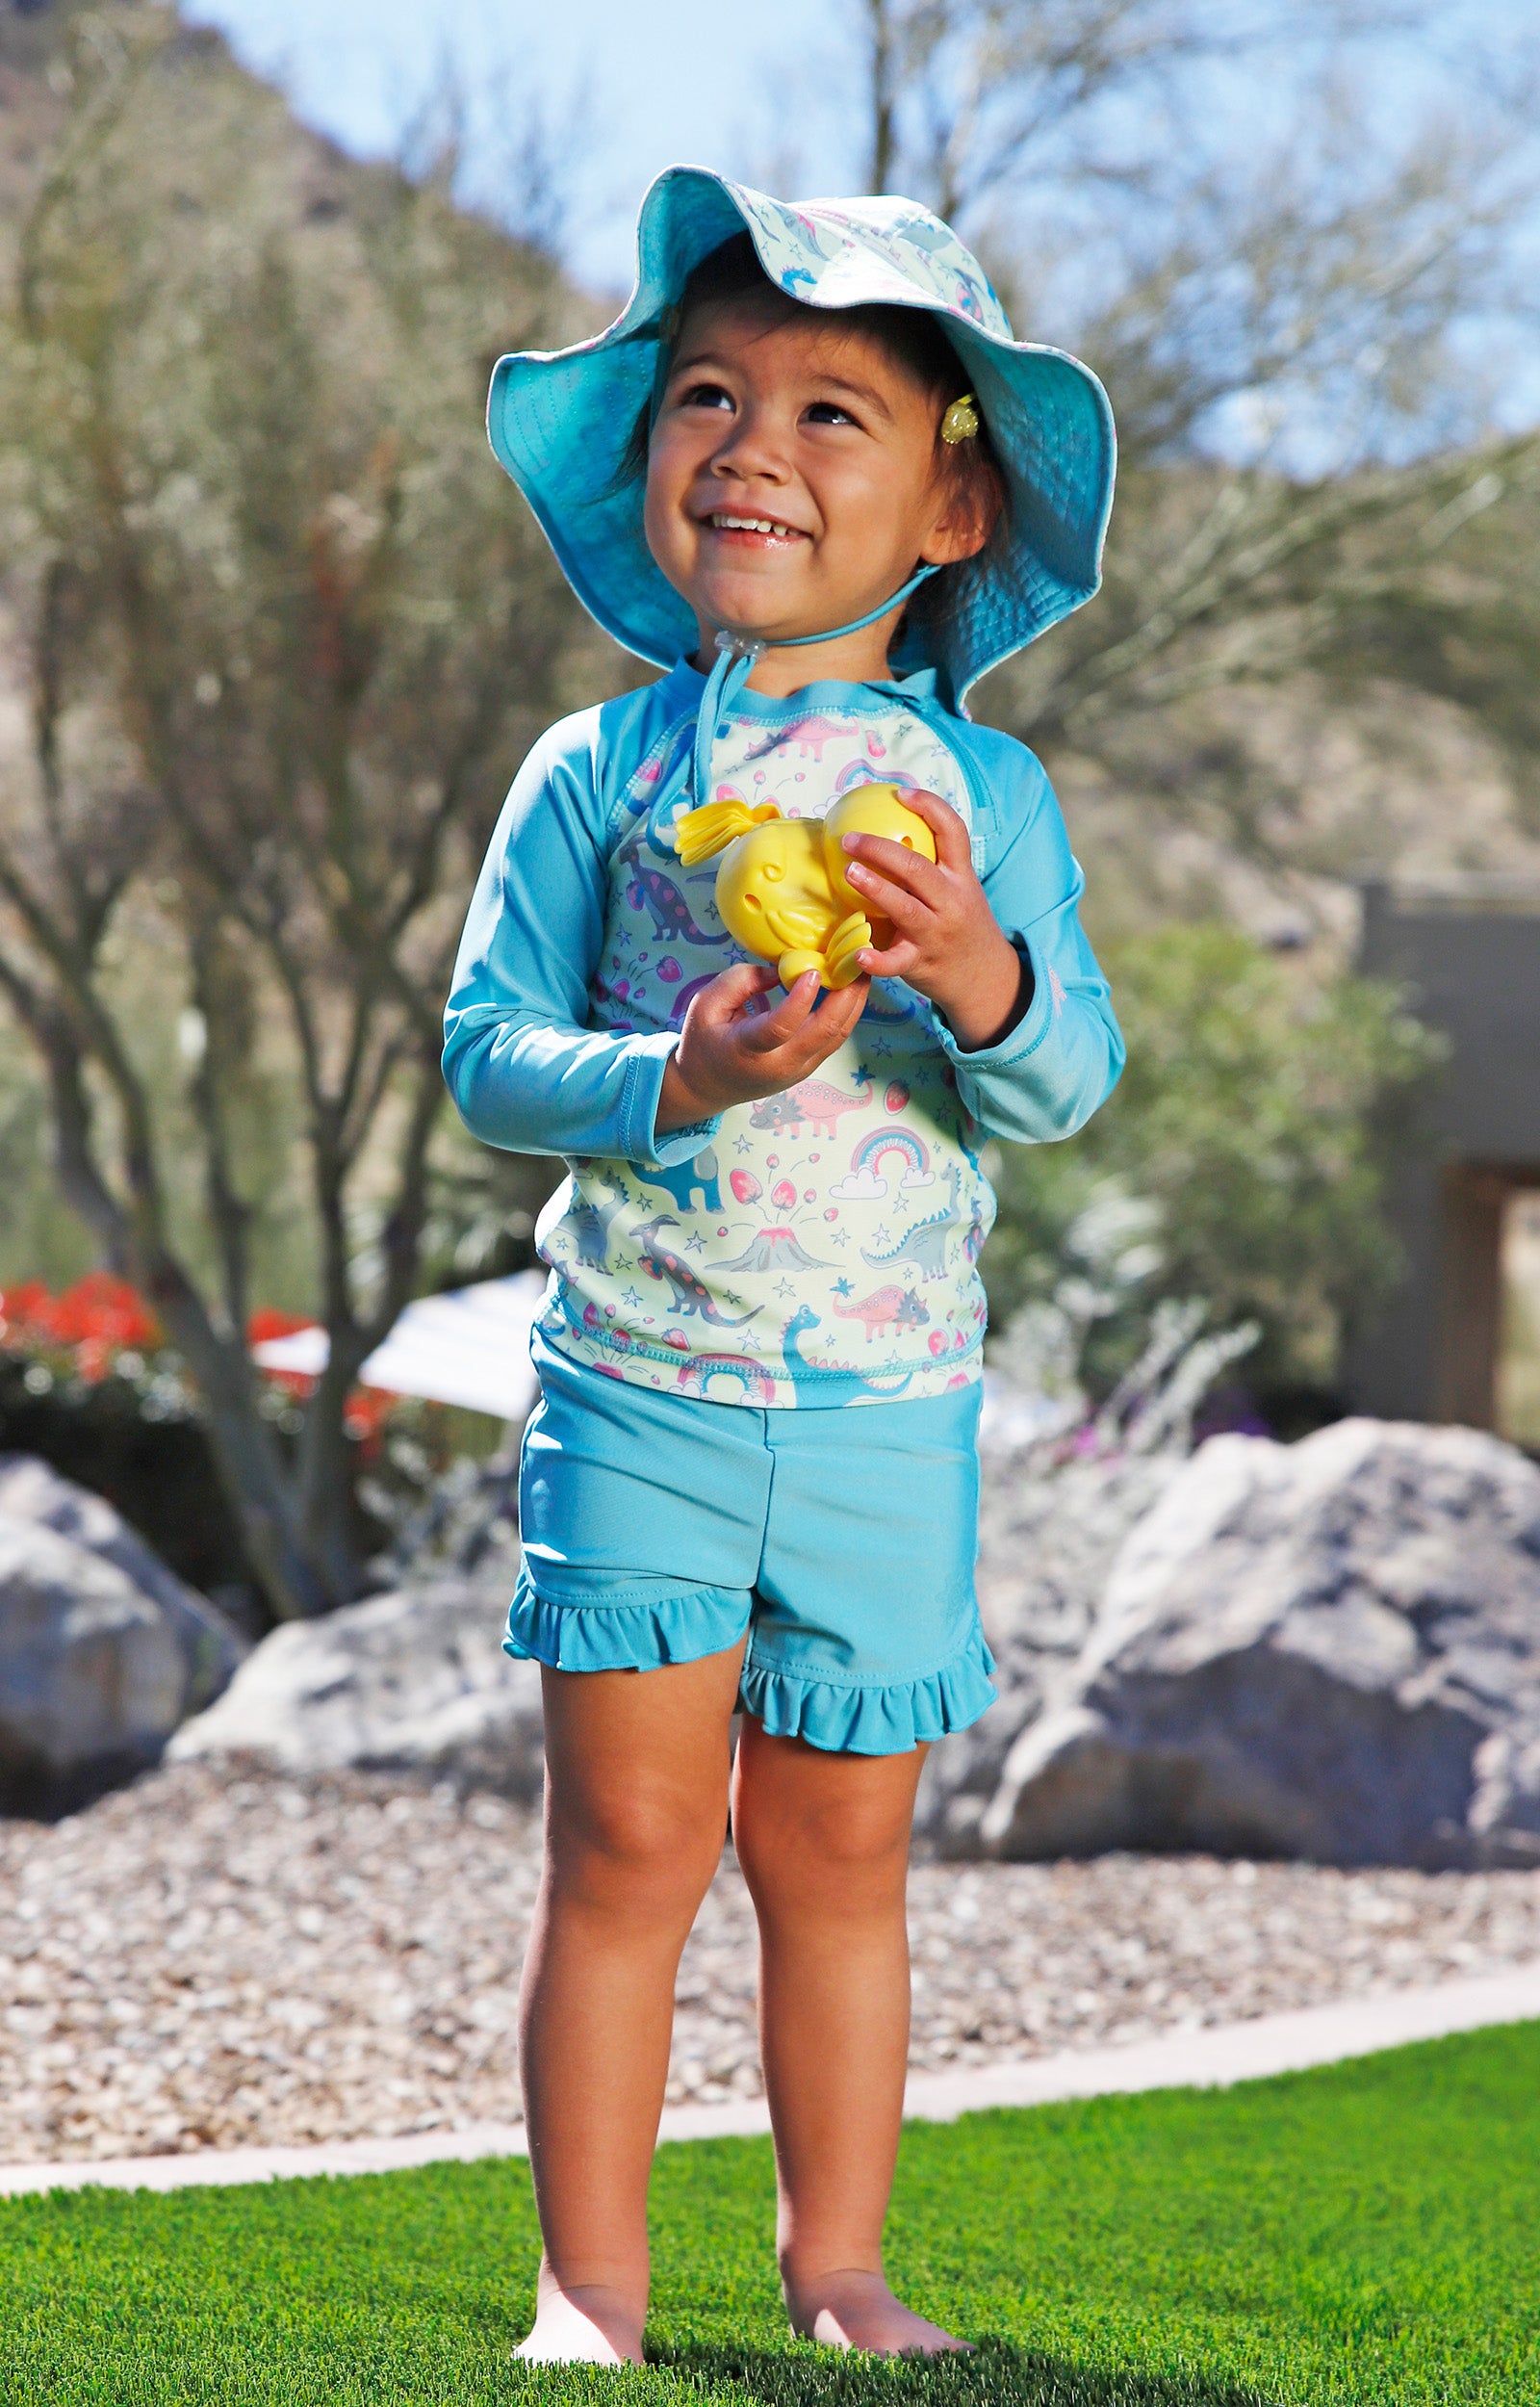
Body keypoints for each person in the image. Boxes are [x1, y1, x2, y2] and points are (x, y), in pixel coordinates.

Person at [443, 168, 1122, 2367]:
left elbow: (1068, 1078)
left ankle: (841, 2268)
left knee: (836, 1860)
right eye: (709, 395)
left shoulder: (983, 795)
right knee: (628, 1847)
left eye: (834, 412)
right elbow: (486, 1054)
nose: (752, 446)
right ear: (652, 451)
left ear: (951, 506)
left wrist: (980, 970)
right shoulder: (599, 768)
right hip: (637, 1382)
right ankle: (589, 2287)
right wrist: (678, 1072)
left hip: (883, 1412)